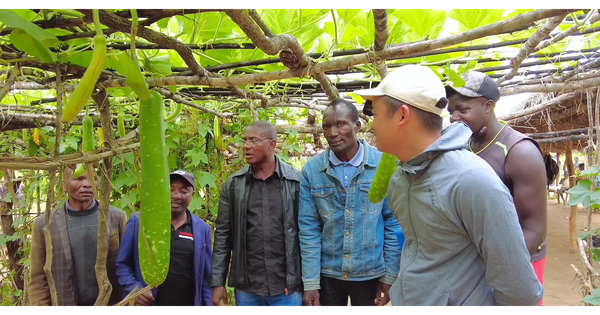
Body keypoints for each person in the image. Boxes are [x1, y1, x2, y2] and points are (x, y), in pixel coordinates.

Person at [354, 64, 543, 307]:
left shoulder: (473, 181)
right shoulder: (400, 181)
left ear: (402, 115)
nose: (371, 125)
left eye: (376, 115)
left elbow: (520, 290)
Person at [446, 71, 548, 306]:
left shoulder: (519, 151)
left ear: (488, 106)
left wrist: (501, 271)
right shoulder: (463, 147)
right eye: (451, 111)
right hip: (478, 260)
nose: (454, 117)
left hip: (520, 260)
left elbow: (533, 228)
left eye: (462, 109)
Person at [298, 99, 402, 308]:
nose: (332, 133)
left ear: (357, 126)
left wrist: (390, 276)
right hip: (329, 273)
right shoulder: (312, 171)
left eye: (340, 124)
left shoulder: (383, 164)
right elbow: (309, 228)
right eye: (327, 126)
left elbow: (393, 223)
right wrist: (310, 282)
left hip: (370, 272)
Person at [209, 121, 303, 308]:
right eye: (244, 140)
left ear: (272, 145)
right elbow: (223, 236)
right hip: (247, 289)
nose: (246, 146)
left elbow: (308, 234)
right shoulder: (234, 185)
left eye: (253, 140)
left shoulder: (295, 182)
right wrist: (217, 282)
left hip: (286, 289)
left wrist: (309, 284)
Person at [29, 165, 127, 307]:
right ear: (64, 185)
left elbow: (128, 264)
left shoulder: (116, 217)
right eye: (78, 178)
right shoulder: (44, 224)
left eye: (93, 178)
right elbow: (38, 279)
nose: (87, 184)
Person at [116, 170, 212, 307]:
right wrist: (134, 289)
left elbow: (206, 278)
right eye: (170, 189)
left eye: (184, 191)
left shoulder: (202, 229)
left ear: (192, 195)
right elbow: (122, 264)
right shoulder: (139, 221)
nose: (176, 196)